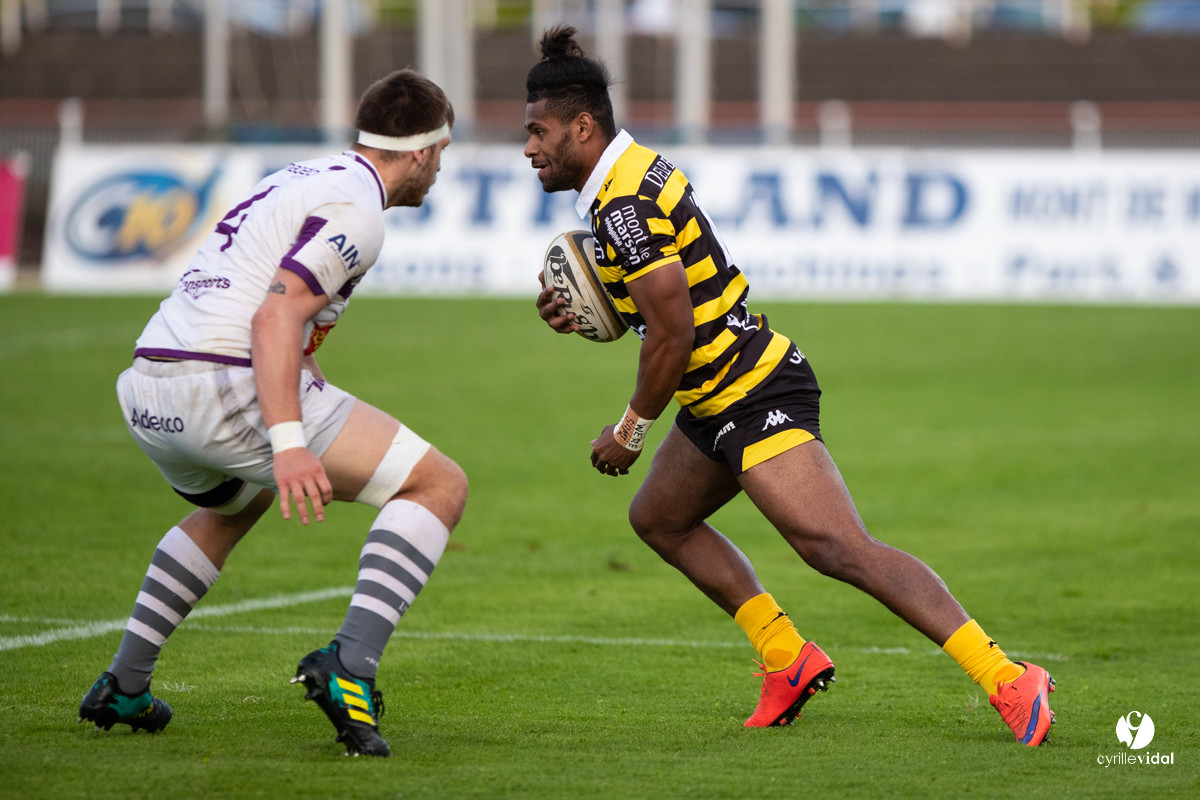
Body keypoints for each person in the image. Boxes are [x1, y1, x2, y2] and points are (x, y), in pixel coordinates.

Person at [525, 27, 1056, 745]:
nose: (529, 148)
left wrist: (628, 432)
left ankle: (1007, 677)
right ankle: (788, 659)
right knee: (661, 519)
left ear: (582, 126)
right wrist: (589, 311)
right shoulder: (628, 181)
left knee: (836, 548)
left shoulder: (622, 207)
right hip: (715, 396)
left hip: (752, 389)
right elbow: (662, 312)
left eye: (539, 132)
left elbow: (674, 335)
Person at [76, 69, 468, 758]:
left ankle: (124, 685)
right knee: (438, 485)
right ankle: (350, 667)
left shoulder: (304, 175)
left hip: (148, 384)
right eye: (443, 155)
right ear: (425, 151)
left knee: (234, 504)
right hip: (223, 385)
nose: (439, 171)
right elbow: (275, 314)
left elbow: (260, 307)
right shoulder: (359, 210)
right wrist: (289, 442)